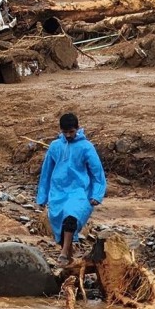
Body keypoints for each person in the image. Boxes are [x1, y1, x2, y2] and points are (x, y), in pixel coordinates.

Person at [35, 111, 106, 261]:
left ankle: (63, 253)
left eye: (71, 132)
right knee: (60, 225)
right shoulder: (55, 146)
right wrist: (42, 196)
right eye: (65, 132)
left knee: (70, 218)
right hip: (57, 192)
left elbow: (97, 173)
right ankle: (68, 253)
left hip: (79, 192)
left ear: (78, 128)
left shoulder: (86, 147)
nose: (68, 135)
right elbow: (46, 172)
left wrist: (97, 194)